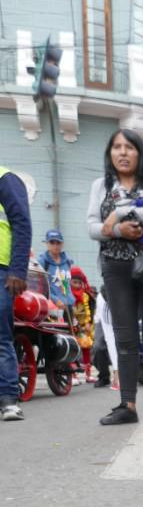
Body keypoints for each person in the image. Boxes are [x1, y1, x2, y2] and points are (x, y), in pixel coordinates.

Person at [87, 128, 143, 426]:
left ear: (140, 153)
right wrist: (117, 229)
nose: (122, 153)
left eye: (129, 147)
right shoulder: (101, 185)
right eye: (116, 147)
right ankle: (127, 405)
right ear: (110, 154)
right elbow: (93, 227)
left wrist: (125, 210)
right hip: (116, 268)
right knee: (125, 339)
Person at [0, 165, 32, 422]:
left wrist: (18, 270)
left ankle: (9, 399)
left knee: (0, 336)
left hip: (1, 270)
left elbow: (22, 224)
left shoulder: (6, 178)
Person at [38, 229, 75, 319]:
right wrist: (55, 300)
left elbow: (67, 284)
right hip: (52, 307)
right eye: (52, 242)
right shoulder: (42, 262)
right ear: (47, 243)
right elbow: (40, 287)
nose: (55, 246)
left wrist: (71, 301)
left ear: (62, 244)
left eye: (58, 243)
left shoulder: (68, 261)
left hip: (68, 306)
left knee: (70, 333)